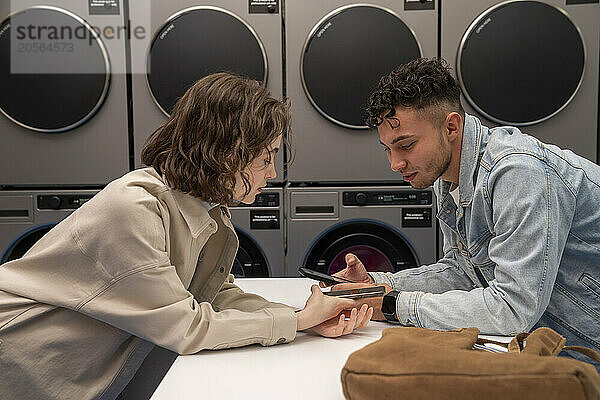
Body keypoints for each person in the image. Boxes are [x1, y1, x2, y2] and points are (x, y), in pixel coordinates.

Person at [0, 73, 373, 400]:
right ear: (227, 154)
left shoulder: (205, 206)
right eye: (266, 157)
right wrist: (299, 323)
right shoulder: (134, 209)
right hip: (22, 366)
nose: (272, 172)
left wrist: (303, 316)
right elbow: (187, 326)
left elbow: (213, 294)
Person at [330, 58, 600, 368]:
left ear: (451, 127)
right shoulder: (446, 178)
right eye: (388, 148)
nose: (395, 163)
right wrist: (376, 284)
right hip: (556, 349)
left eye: (406, 145)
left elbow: (512, 308)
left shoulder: (518, 173)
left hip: (587, 352)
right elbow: (463, 272)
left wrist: (392, 304)